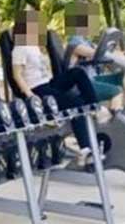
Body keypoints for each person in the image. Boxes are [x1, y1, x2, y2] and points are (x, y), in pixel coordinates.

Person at [11, 8, 98, 151]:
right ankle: (86, 148)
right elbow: (17, 75)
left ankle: (93, 105)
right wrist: (30, 96)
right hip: (37, 90)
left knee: (77, 72)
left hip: (48, 84)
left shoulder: (34, 46)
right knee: (75, 105)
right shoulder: (20, 48)